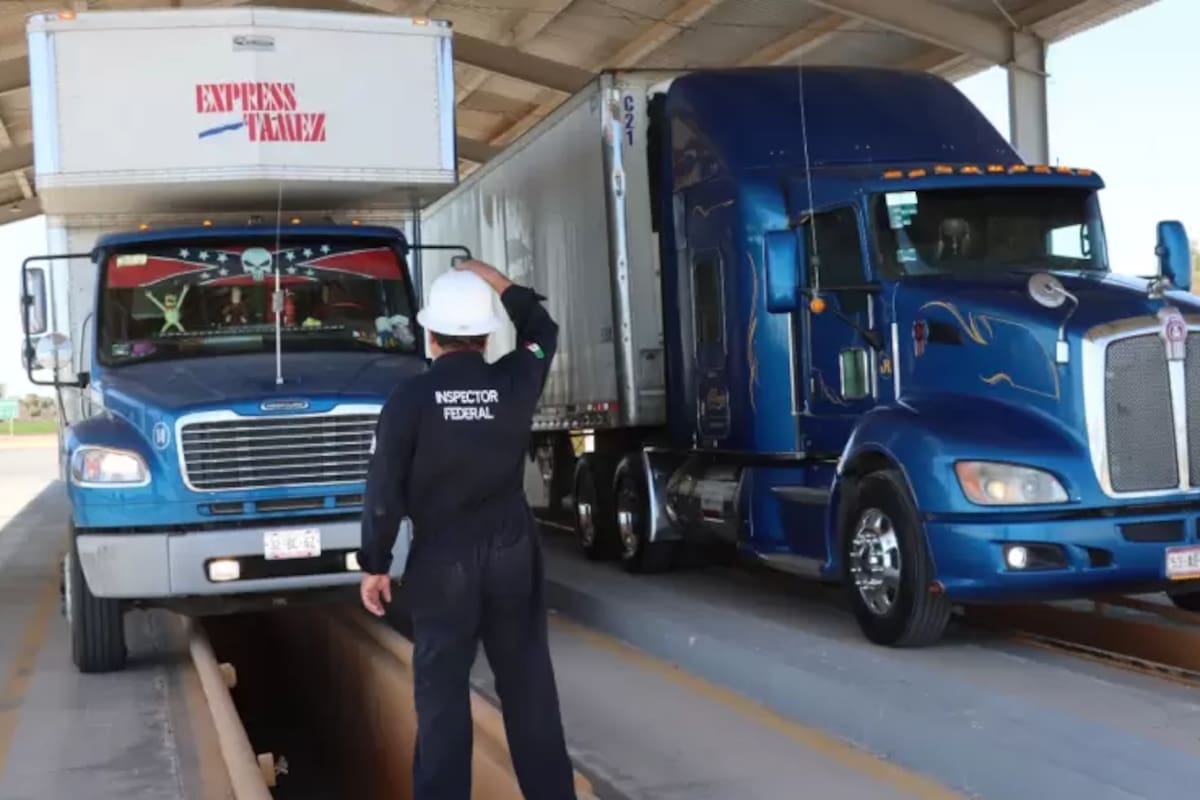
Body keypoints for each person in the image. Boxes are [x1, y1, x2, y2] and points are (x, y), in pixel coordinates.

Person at [356, 259, 577, 800]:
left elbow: (383, 491)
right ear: (487, 334)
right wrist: (492, 277)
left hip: (443, 559)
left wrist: (375, 564)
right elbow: (543, 330)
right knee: (529, 693)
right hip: (510, 552)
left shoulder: (408, 400)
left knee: (442, 700)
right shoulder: (516, 378)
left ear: (430, 336)